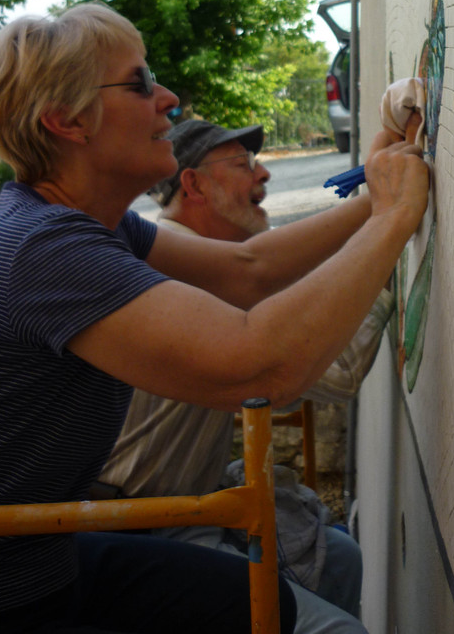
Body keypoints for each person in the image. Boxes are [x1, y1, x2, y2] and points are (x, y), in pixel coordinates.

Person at [0, 3, 428, 634]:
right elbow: (262, 364)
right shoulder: (46, 249)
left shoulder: (89, 224)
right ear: (66, 121)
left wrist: (372, 197)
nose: (166, 97)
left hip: (45, 555)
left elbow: (249, 265)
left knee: (259, 598)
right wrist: (391, 221)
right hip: (7, 590)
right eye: (139, 83)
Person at [99, 118, 396, 629]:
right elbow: (335, 370)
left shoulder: (191, 255)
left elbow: (261, 265)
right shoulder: (179, 272)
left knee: (339, 558)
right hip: (141, 525)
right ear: (192, 185)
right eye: (242, 165)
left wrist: (377, 202)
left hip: (182, 507)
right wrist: (389, 232)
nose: (263, 177)